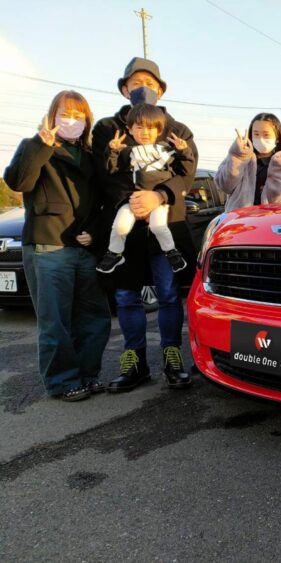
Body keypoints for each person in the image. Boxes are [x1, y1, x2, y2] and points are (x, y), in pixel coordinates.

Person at [92, 57, 197, 392]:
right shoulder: (108, 128)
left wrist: (159, 196)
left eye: (150, 84)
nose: (143, 89)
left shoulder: (177, 129)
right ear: (125, 89)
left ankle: (172, 356)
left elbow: (187, 173)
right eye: (136, 83)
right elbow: (105, 173)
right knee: (125, 297)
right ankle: (134, 360)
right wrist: (135, 199)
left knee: (168, 295)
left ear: (161, 90)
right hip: (126, 224)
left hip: (166, 220)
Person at [3, 91, 111, 402]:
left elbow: (103, 202)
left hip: (85, 247)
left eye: (79, 115)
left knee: (95, 316)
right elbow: (18, 182)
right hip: (48, 244)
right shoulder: (34, 147)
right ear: (52, 116)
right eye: (65, 113)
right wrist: (40, 144)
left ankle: (88, 376)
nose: (72, 120)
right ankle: (63, 382)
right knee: (55, 320)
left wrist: (95, 232)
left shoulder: (91, 155)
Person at [96, 103, 193, 274]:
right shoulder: (128, 152)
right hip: (133, 199)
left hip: (159, 201)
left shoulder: (166, 149)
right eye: (139, 127)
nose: (145, 132)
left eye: (150, 128)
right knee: (120, 227)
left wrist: (183, 151)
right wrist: (112, 151)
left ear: (158, 130)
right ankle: (114, 254)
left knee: (158, 226)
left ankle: (172, 252)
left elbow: (185, 170)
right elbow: (111, 169)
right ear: (130, 129)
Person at [216, 113, 281, 212]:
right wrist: (237, 157)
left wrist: (279, 170)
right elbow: (225, 186)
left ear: (277, 138)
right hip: (240, 222)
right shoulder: (240, 158)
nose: (260, 139)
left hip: (268, 224)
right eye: (256, 134)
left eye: (266, 135)